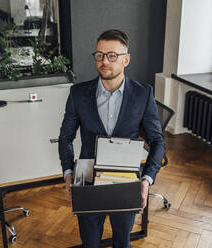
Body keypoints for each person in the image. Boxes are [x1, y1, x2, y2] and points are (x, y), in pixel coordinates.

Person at [58, 29, 164, 248]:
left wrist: (146, 179)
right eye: (99, 55)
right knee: (89, 242)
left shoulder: (144, 93)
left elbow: (157, 141)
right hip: (86, 173)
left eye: (112, 55)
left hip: (125, 174)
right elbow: (65, 137)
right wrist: (68, 172)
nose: (104, 61)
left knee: (122, 242)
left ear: (126, 59)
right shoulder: (78, 93)